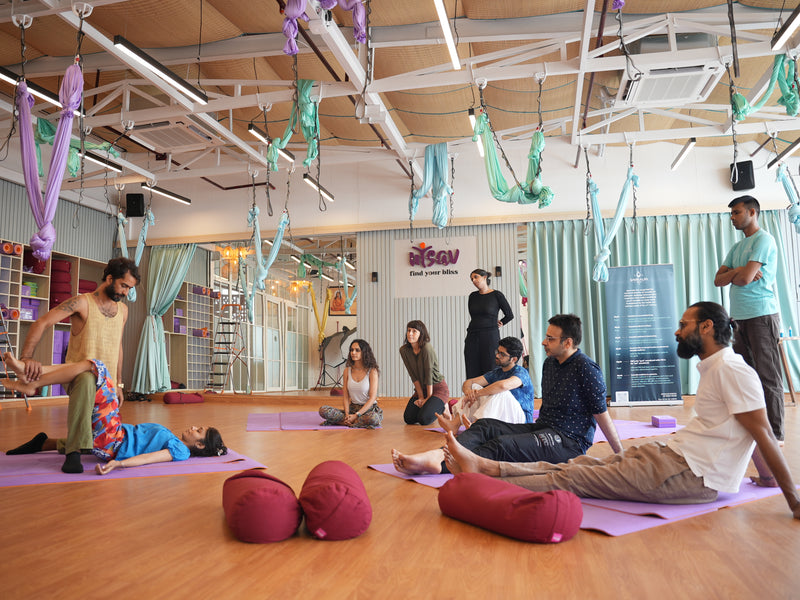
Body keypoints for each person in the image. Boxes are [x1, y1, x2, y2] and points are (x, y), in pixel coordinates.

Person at [442, 302, 800, 520]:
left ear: (707, 327)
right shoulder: (714, 368)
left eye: (683, 325)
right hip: (669, 454)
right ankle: (485, 465)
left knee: (572, 479)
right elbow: (750, 431)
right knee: (578, 467)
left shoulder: (732, 370)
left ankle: (486, 471)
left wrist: (794, 500)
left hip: (688, 474)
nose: (676, 332)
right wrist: (764, 479)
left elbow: (762, 434)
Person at [392, 314, 622, 475]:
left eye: (550, 338)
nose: (543, 341)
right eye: (546, 336)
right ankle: (438, 455)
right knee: (487, 427)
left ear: (568, 342)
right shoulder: (549, 364)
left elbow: (601, 414)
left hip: (568, 441)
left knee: (503, 444)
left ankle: (441, 464)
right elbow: (473, 384)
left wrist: (621, 455)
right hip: (543, 427)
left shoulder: (586, 369)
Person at [3, 352, 226, 475]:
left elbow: (149, 458)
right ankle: (42, 438)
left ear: (199, 445)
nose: (194, 427)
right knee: (88, 371)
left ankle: (33, 380)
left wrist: (119, 465)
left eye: (199, 431)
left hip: (112, 440)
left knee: (96, 365)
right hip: (112, 434)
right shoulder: (173, 440)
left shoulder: (179, 450)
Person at [15, 256, 139, 473]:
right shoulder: (82, 302)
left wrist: (119, 384)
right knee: (87, 376)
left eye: (129, 289)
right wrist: (26, 358)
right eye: (124, 286)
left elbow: (117, 346)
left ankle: (45, 443)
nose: (126, 293)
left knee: (103, 447)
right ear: (110, 278)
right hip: (77, 377)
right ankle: (72, 453)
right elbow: (42, 322)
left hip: (107, 385)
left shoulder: (124, 311)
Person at [714, 195, 785, 442]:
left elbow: (744, 280)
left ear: (752, 212)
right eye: (731, 213)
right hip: (739, 319)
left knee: (768, 376)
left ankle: (775, 435)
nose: (732, 217)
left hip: (761, 316)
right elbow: (718, 280)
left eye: (736, 212)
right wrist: (738, 271)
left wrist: (738, 274)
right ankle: (754, 430)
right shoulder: (736, 248)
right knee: (746, 378)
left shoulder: (764, 240)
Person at [450, 336, 533, 424]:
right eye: (497, 352)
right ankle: (455, 424)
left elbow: (502, 386)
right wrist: (469, 393)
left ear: (514, 359)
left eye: (502, 354)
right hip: (504, 417)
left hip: (521, 420)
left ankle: (477, 427)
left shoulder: (522, 373)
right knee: (475, 387)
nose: (497, 355)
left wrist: (477, 394)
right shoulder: (497, 372)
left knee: (501, 392)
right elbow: (469, 382)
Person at [319, 339, 382, 428]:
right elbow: (345, 396)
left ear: (364, 352)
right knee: (323, 410)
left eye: (357, 350)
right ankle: (351, 421)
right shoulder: (347, 371)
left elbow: (372, 398)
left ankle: (344, 422)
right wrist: (347, 414)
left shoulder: (372, 371)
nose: (353, 352)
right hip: (352, 409)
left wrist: (356, 415)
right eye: (351, 350)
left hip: (368, 410)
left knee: (373, 418)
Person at [464, 268, 514, 379]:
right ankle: (474, 395)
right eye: (472, 279)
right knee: (472, 367)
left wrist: (501, 322)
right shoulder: (472, 296)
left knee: (490, 367)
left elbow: (509, 315)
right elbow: (474, 316)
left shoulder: (497, 295)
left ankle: (491, 395)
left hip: (490, 336)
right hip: (472, 336)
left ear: (485, 277)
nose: (473, 281)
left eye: (476, 277)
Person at [399, 320, 450, 426]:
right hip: (422, 389)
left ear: (421, 334)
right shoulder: (404, 351)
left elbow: (428, 375)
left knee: (424, 419)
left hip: (437, 388)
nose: (410, 334)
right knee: (409, 418)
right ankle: (432, 405)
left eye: (414, 331)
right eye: (408, 330)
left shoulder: (427, 348)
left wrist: (428, 398)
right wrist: (421, 397)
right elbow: (413, 376)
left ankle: (443, 406)